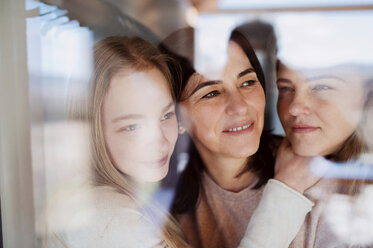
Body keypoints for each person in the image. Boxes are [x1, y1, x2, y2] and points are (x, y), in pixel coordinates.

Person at [45, 35, 315, 248]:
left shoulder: (312, 171)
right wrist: (285, 192)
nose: (158, 141)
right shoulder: (105, 215)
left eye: (165, 115)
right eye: (210, 93)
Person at [159, 27, 319, 248]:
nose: (240, 106)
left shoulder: (313, 178)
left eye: (247, 82)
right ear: (174, 117)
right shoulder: (160, 205)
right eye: (211, 93)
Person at [276, 61, 373, 247]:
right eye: (286, 88)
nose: (294, 108)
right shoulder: (256, 172)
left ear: (367, 95)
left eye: (321, 86)